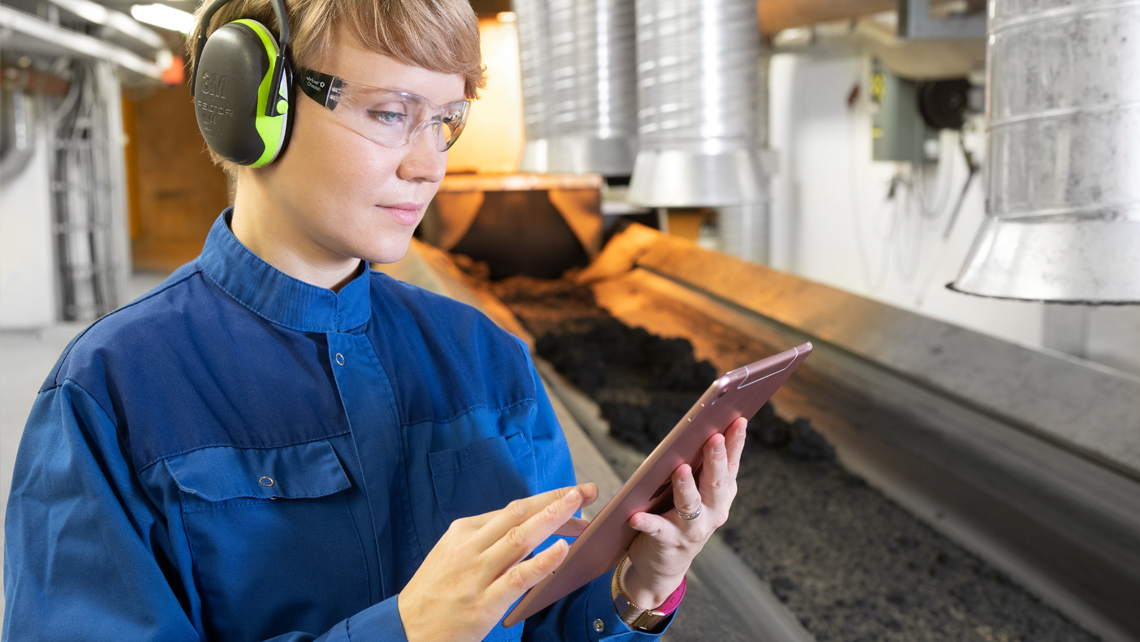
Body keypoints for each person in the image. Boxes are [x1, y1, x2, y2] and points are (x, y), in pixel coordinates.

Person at [2, 0, 750, 639]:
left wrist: (633, 591)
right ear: (251, 104)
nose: (429, 165)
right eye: (392, 114)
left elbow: (540, 613)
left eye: (447, 121)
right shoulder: (112, 393)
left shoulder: (489, 362)